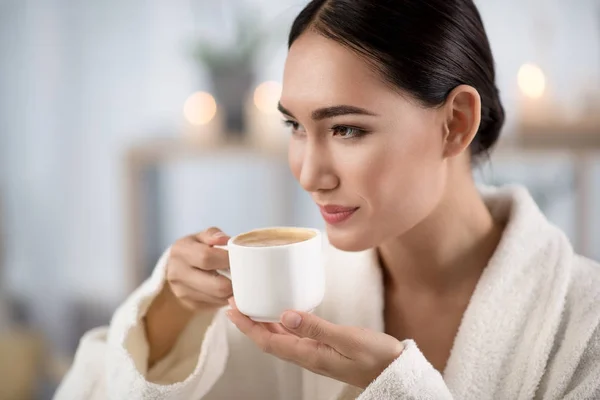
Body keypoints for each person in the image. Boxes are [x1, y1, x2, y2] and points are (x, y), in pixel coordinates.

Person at [54, 0, 600, 399]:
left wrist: (400, 390)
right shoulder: (289, 299)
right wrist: (172, 314)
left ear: (455, 123)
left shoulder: (584, 323)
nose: (309, 174)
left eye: (346, 130)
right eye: (295, 125)